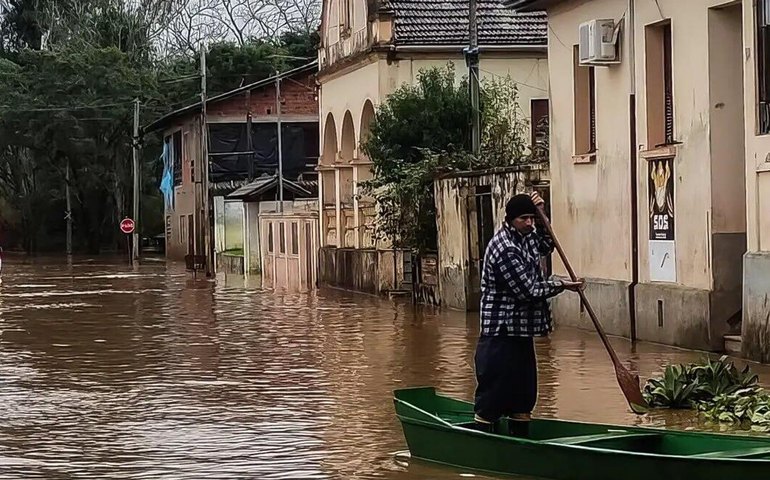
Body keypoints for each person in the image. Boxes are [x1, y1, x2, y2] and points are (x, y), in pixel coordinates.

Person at [472, 192, 583, 437]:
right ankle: (482, 439)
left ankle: (520, 439)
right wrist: (562, 285)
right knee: (494, 393)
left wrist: (543, 215)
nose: (530, 223)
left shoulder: (528, 235)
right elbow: (528, 291)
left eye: (531, 218)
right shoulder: (505, 248)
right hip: (500, 332)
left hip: (522, 331)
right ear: (511, 220)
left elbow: (547, 243)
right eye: (524, 219)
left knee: (524, 394)